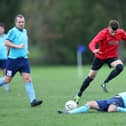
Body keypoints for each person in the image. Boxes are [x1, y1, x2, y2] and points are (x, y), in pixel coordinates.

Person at [74, 19, 126, 104]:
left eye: (115, 32)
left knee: (120, 67)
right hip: (100, 56)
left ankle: (105, 82)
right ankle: (78, 95)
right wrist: (94, 50)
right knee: (91, 76)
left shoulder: (120, 32)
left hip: (112, 57)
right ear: (109, 28)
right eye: (112, 31)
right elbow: (92, 42)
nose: (113, 33)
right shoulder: (103, 33)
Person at [0, 14, 42, 107]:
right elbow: (6, 42)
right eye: (19, 22)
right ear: (16, 22)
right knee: (7, 80)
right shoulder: (12, 31)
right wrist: (17, 46)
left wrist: (25, 50)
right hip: (13, 61)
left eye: (22, 22)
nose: (21, 23)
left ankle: (33, 101)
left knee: (28, 79)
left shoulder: (25, 31)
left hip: (23, 60)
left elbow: (23, 43)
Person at [58, 92, 126, 114]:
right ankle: (69, 112)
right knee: (90, 104)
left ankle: (116, 108)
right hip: (115, 98)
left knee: (111, 109)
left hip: (121, 101)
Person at [0, 22, 9, 91]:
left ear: (3, 29)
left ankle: (6, 88)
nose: (0, 30)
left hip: (4, 58)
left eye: (1, 28)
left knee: (5, 73)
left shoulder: (7, 36)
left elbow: (10, 45)